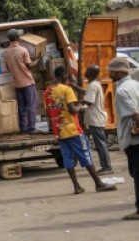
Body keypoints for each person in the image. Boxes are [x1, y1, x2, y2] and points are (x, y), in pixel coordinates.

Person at [44, 66, 117, 195]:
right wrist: (81, 109)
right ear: (65, 75)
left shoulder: (47, 92)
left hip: (59, 131)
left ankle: (77, 186)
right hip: (73, 129)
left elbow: (49, 111)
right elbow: (72, 110)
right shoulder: (66, 89)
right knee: (85, 155)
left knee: (67, 158)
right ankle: (98, 183)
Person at [108, 57, 139, 219]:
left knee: (137, 174)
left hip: (134, 140)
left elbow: (135, 113)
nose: (110, 74)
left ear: (120, 72)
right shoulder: (135, 85)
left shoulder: (122, 91)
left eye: (112, 71)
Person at [1, 29, 45, 134]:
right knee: (31, 106)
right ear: (17, 38)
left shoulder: (6, 53)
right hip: (28, 82)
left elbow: (8, 67)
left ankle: (23, 129)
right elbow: (29, 66)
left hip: (17, 83)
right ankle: (31, 128)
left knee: (21, 107)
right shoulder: (23, 50)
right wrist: (39, 59)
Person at [83, 64, 114, 174]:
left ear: (90, 73)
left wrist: (77, 104)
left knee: (100, 144)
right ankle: (106, 165)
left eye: (87, 70)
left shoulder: (92, 85)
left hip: (95, 119)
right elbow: (88, 95)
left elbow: (89, 101)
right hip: (96, 118)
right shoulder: (94, 84)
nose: (85, 72)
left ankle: (107, 166)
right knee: (100, 143)